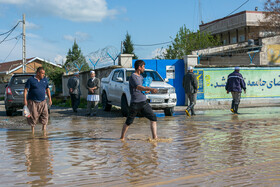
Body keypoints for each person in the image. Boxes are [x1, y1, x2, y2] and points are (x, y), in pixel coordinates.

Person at [120, 60, 158, 140]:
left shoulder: (141, 77)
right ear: (139, 67)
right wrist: (150, 89)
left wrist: (146, 90)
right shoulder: (133, 77)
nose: (144, 68)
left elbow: (142, 88)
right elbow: (138, 87)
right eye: (143, 66)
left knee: (153, 118)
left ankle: (155, 138)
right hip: (135, 103)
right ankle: (122, 138)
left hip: (143, 102)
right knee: (129, 122)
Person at [23, 67, 52, 132]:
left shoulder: (45, 80)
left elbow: (47, 89)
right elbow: (25, 90)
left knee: (45, 115)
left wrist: (50, 99)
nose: (44, 75)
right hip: (33, 102)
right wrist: (25, 100)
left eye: (44, 73)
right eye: (42, 73)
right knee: (33, 116)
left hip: (43, 101)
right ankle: (32, 131)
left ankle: (44, 131)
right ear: (38, 73)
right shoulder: (31, 80)